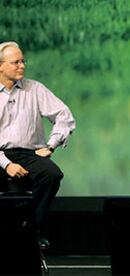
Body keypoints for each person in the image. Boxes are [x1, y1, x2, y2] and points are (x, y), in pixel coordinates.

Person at [0, 41, 76, 248]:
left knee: (51, 174)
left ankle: (32, 229)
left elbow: (64, 116)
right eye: (15, 62)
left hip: (28, 153)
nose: (22, 66)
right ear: (1, 66)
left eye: (23, 61)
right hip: (0, 155)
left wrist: (51, 145)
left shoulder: (34, 89)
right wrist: (7, 164)